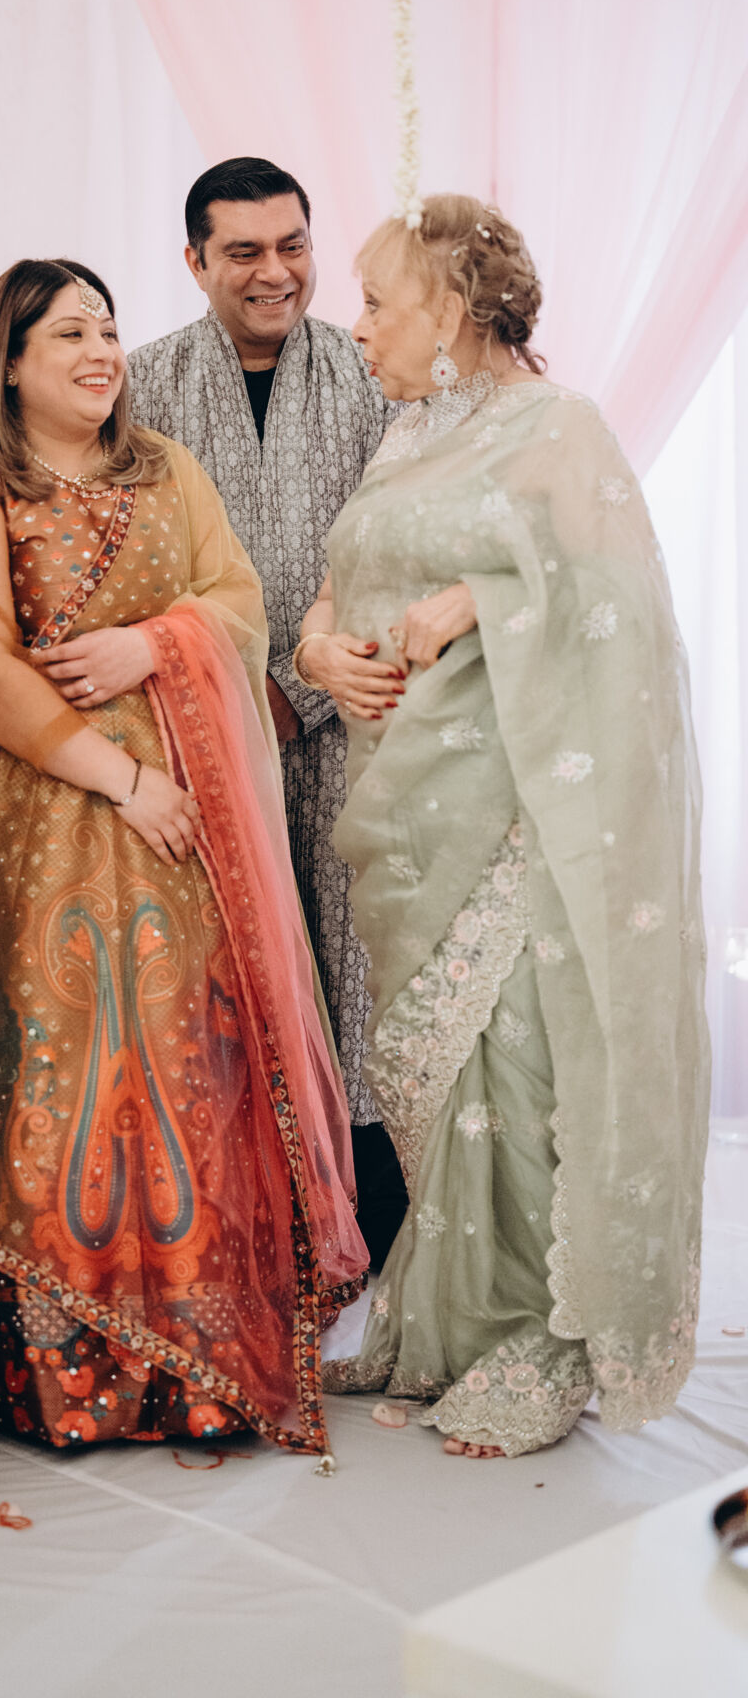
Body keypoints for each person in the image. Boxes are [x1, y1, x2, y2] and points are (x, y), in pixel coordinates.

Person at [0, 258, 368, 1464]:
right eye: (68, 335)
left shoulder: (161, 468)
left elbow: (233, 598)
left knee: (182, 1053)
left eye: (107, 330)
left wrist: (152, 642)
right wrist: (119, 780)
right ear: (9, 363)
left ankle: (179, 1348)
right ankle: (27, 1358)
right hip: (30, 822)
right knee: (40, 1063)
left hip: (178, 814)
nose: (99, 353)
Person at [297, 193, 710, 1457]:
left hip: (516, 813)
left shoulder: (555, 425)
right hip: (403, 804)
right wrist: (316, 649)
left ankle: (541, 1340)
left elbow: (618, 600)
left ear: (448, 311)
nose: (356, 326)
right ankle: (446, 1326)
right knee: (424, 1070)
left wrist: (476, 601)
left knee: (510, 1063)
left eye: (376, 303)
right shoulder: (407, 433)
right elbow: (341, 583)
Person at [128, 157, 408, 1268]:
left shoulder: (372, 374)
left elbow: (404, 551)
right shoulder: (140, 387)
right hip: (190, 741)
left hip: (355, 724)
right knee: (218, 980)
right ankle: (239, 1238)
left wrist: (294, 696)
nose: (273, 272)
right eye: (242, 251)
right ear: (194, 260)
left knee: (357, 967)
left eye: (292, 245)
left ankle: (371, 1232)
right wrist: (218, 710)